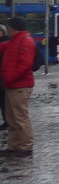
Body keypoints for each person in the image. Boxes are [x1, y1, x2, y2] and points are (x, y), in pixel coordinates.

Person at [0, 17, 37, 157]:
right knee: (11, 118)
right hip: (11, 85)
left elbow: (26, 64)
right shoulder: (15, 40)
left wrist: (10, 77)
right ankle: (14, 145)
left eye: (9, 26)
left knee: (20, 117)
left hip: (19, 85)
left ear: (14, 28)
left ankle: (26, 147)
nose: (7, 29)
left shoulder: (25, 41)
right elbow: (3, 46)